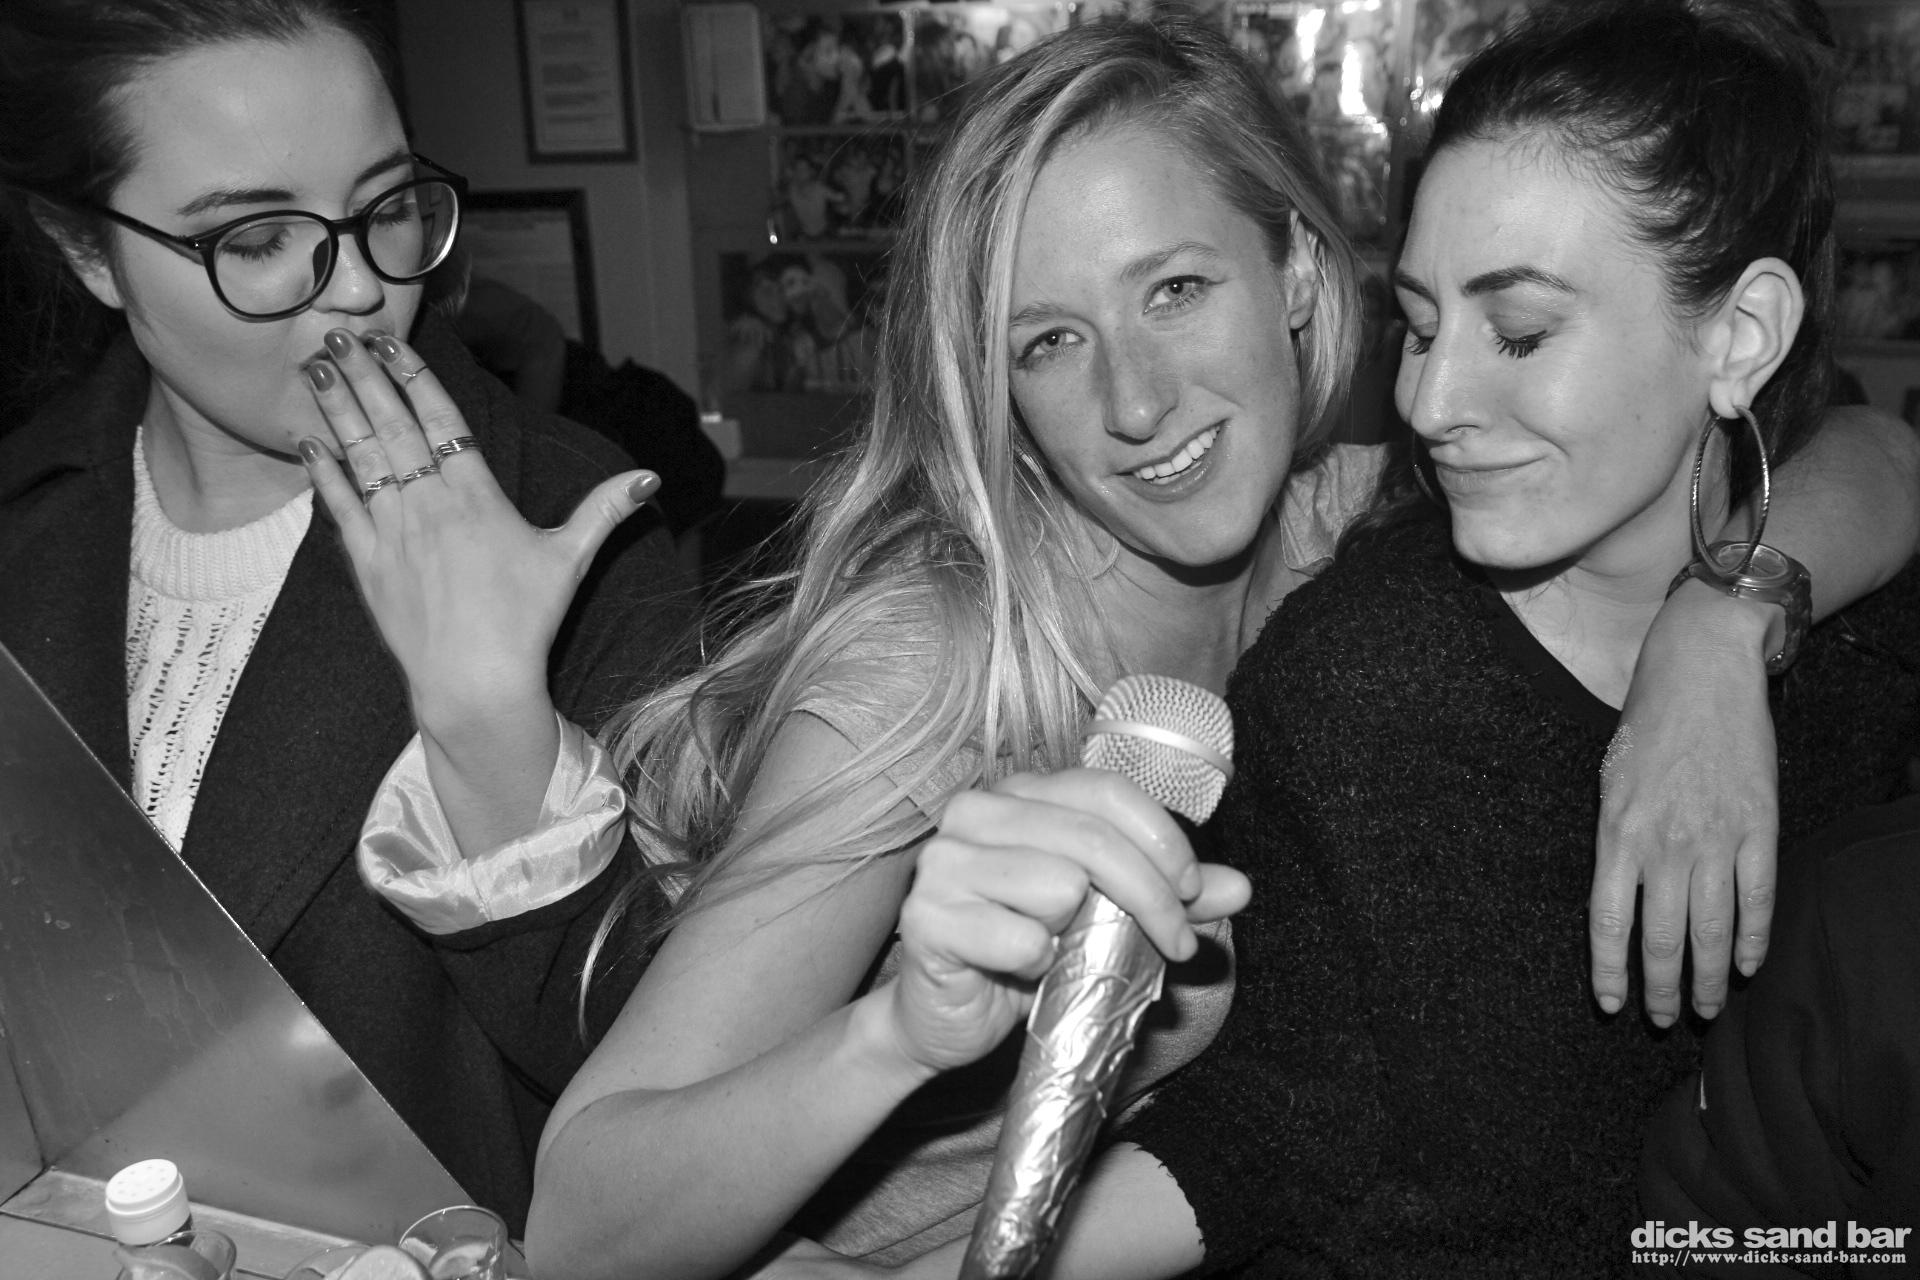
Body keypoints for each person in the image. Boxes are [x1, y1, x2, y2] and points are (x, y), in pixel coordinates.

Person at [375, 15, 1920, 1280]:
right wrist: (896, 1033)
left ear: (1298, 278)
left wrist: (1723, 627)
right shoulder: (940, 669)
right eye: (1049, 342)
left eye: (1175, 290)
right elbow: (589, 1223)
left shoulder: (1361, 517)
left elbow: (1872, 449)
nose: (1134, 401)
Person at [909, 2, 1920, 1275]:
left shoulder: (1864, 629)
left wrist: (1720, 626)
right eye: (1424, 325)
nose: (1431, 401)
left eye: (1520, 333)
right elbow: (1272, 1126)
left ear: (1742, 335)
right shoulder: (1364, 683)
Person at [0, 0, 691, 1233]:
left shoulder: (571, 524)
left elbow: (665, 1099)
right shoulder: (25, 519)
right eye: (258, 237)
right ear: (87, 251)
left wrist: (490, 723)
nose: (365, 290)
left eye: (388, 207)